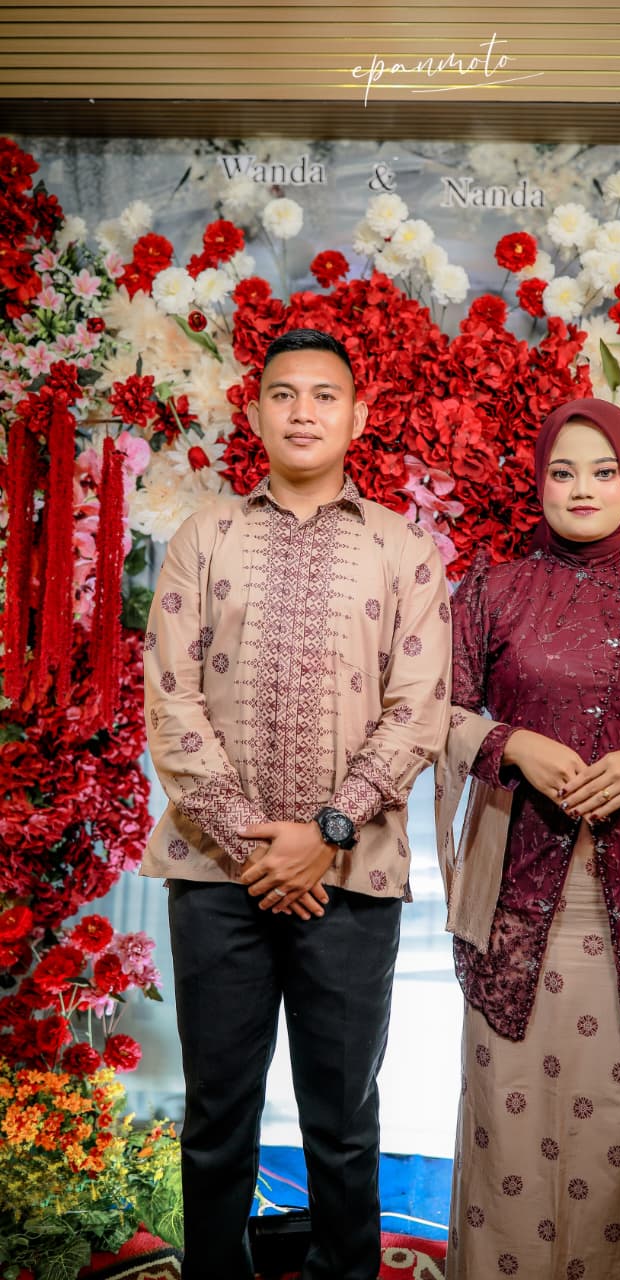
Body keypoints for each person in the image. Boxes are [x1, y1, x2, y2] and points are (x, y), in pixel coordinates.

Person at [141, 328, 451, 1280]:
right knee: (216, 1116)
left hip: (350, 877)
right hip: (215, 876)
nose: (303, 412)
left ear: (358, 415)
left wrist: (324, 834)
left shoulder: (404, 550)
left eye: (324, 395)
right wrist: (256, 850)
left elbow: (418, 712)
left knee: (344, 1120)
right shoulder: (205, 537)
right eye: (284, 395)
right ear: (256, 411)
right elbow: (170, 699)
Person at [436, 398, 620, 1280]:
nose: (581, 488)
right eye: (561, 471)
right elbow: (436, 714)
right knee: (505, 1131)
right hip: (513, 904)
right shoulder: (492, 590)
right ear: (539, 482)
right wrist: (510, 745)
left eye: (603, 472)